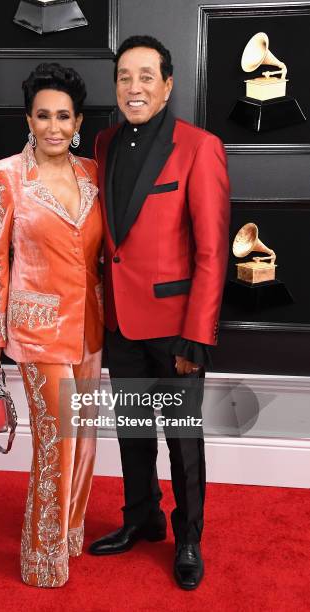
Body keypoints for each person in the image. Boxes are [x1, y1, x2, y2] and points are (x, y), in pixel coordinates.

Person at [88, 35, 230, 590]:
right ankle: (140, 518)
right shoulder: (101, 143)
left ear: (168, 84)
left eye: (146, 75)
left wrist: (198, 336)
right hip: (120, 320)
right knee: (132, 433)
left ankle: (188, 537)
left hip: (176, 330)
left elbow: (213, 251)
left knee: (183, 440)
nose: (134, 86)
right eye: (125, 76)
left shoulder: (200, 146)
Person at [0, 63, 103, 588]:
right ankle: (41, 556)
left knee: (84, 440)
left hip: (90, 326)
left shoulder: (93, 172)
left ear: (78, 122)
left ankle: (70, 532)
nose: (55, 126)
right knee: (56, 446)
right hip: (37, 329)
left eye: (65, 116)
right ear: (29, 118)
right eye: (44, 115)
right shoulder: (3, 176)